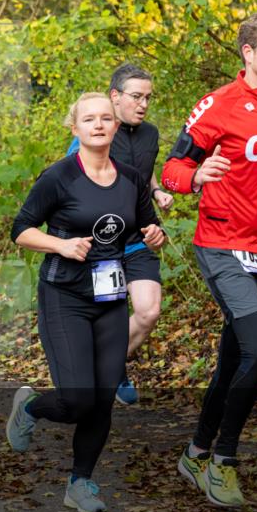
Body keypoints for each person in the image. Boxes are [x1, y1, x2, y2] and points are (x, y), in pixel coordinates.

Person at [161, 12, 257, 507]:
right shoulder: (218, 105)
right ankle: (224, 461)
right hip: (221, 244)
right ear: (248, 52)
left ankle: (195, 450)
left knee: (234, 357)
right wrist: (195, 178)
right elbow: (173, 168)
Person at [7, 93, 165, 512]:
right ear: (74, 128)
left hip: (110, 298)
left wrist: (154, 235)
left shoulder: (131, 177)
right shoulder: (58, 177)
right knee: (77, 401)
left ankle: (81, 481)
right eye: (89, 119)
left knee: (104, 396)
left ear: (116, 126)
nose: (98, 125)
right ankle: (30, 406)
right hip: (65, 296)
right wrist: (61, 243)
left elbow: (147, 226)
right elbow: (21, 230)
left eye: (106, 119)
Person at [65, 64, 172, 406]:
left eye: (148, 98)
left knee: (148, 311)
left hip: (139, 236)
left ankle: (110, 365)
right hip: (100, 245)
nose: (143, 104)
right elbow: (70, 186)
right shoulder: (93, 137)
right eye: (136, 97)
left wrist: (156, 192)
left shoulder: (151, 134)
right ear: (115, 96)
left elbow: (145, 170)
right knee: (107, 315)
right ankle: (109, 370)